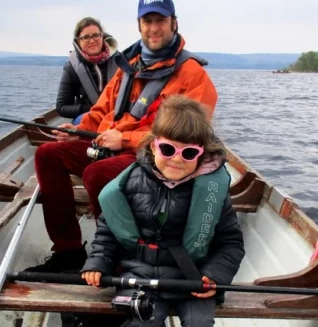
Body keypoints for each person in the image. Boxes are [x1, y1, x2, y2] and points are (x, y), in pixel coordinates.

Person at [26, 0, 218, 273]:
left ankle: (116, 259)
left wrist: (125, 140)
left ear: (174, 23)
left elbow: (190, 136)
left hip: (155, 156)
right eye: (147, 22)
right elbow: (101, 109)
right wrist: (78, 130)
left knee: (98, 174)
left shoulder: (193, 75)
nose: (154, 28)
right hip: (109, 146)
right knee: (47, 154)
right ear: (139, 26)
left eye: (160, 21)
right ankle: (68, 250)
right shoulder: (129, 66)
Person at [80, 95, 245, 327]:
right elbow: (108, 233)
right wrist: (97, 263)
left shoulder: (212, 192)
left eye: (189, 153)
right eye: (168, 149)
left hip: (192, 277)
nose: (177, 159)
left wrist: (214, 276)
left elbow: (231, 244)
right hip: (138, 274)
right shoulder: (130, 182)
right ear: (153, 145)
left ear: (202, 153)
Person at [56, 17, 119, 126]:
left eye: (96, 35)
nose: (92, 40)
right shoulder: (71, 68)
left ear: (102, 36)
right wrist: (91, 109)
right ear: (78, 41)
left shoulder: (121, 61)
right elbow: (61, 107)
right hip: (88, 115)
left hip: (117, 114)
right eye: (85, 37)